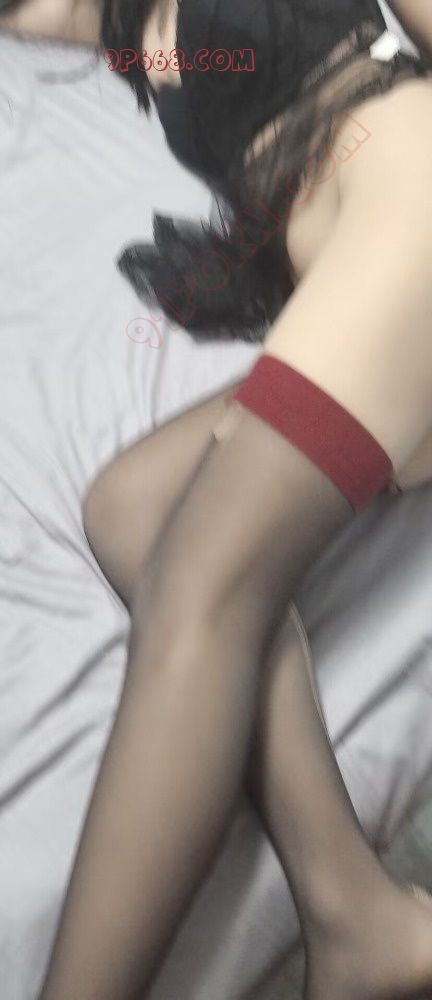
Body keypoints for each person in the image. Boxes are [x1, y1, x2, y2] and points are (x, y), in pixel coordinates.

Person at [2, 3, 432, 999]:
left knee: (205, 581)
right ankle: (356, 914)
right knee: (133, 508)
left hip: (409, 188)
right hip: (368, 291)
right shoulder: (114, 23)